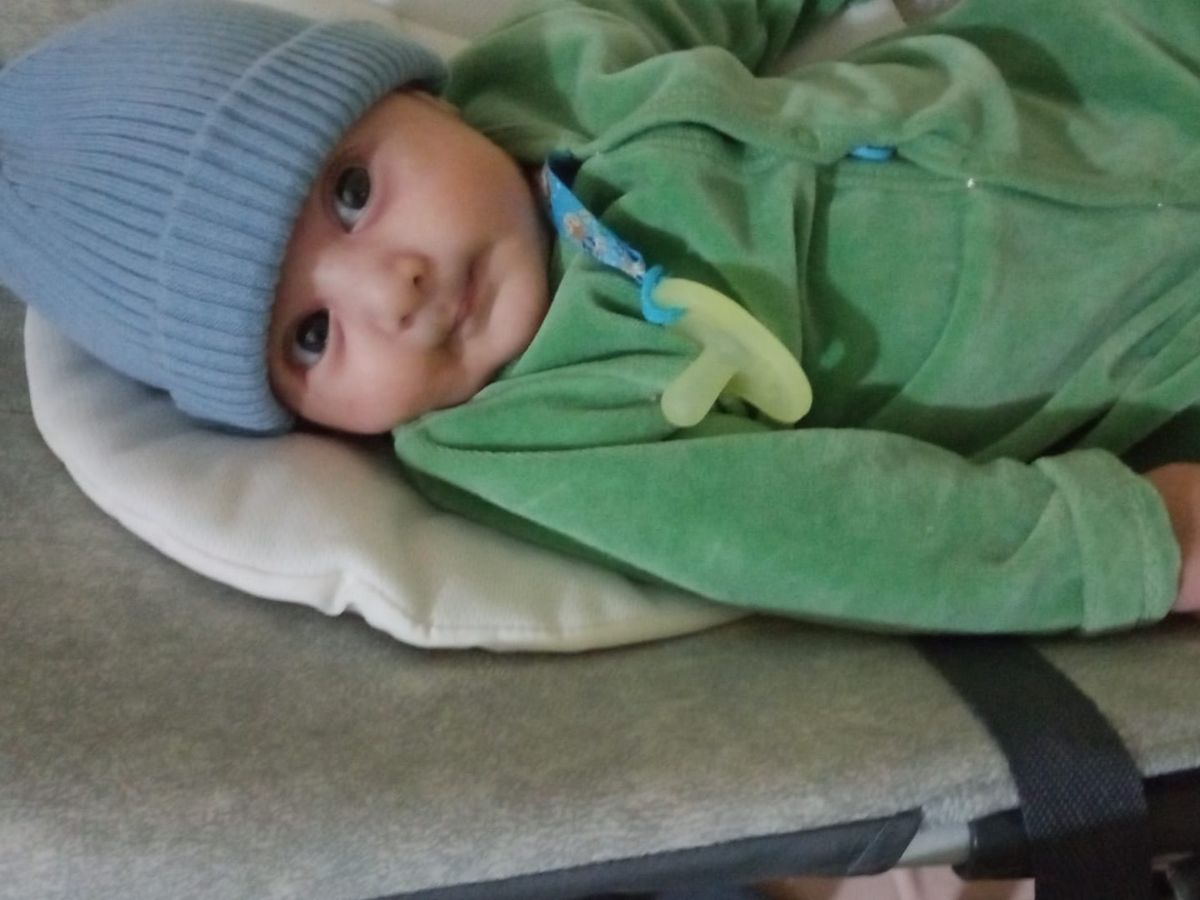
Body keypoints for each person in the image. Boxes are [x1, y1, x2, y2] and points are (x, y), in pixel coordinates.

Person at [3, 0, 1200, 634]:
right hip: (1136, 333)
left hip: (1095, 60)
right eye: (310, 337)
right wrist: (1126, 541)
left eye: (353, 193)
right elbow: (831, 528)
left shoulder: (545, 72)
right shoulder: (530, 434)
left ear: (413, 97)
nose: (391, 291)